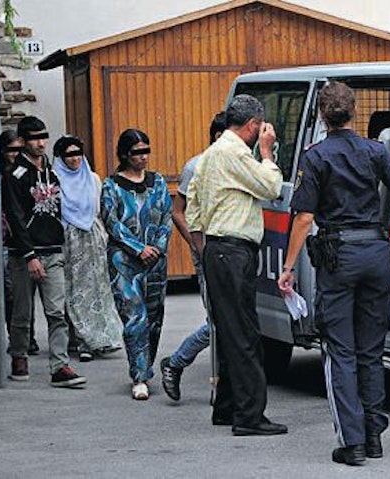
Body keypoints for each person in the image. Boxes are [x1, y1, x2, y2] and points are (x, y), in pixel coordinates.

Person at [276, 82, 390, 465]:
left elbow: (305, 217)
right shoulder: (376, 151)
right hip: (377, 255)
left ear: (322, 116)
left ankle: (352, 443)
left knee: (340, 351)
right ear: (355, 112)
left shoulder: (315, 157)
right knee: (371, 351)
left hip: (338, 258)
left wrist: (288, 267)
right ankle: (374, 435)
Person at [185, 94, 286, 436]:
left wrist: (203, 248)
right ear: (253, 125)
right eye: (261, 127)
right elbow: (271, 186)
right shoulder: (235, 153)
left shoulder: (210, 154)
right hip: (234, 249)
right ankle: (250, 416)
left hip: (217, 249)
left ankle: (227, 407)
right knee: (245, 335)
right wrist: (267, 153)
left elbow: (193, 205)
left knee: (229, 332)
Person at [2, 116, 87, 388]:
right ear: (23, 140)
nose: (41, 143)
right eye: (35, 138)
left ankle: (60, 366)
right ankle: (19, 356)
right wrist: (29, 255)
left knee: (56, 311)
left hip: (52, 250)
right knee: (22, 312)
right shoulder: (15, 175)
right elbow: (15, 217)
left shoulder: (51, 171)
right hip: (24, 254)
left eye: (44, 136)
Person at [160, 112, 227, 402]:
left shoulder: (238, 163)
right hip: (207, 250)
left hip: (232, 250)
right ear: (218, 136)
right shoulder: (196, 166)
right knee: (218, 320)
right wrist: (198, 245)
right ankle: (177, 362)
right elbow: (178, 212)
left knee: (226, 321)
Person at [102, 128, 172, 401]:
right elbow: (111, 222)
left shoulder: (159, 182)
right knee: (135, 317)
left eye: (146, 151)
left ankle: (146, 366)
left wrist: (157, 248)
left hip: (155, 260)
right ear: (124, 154)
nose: (143, 157)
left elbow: (166, 217)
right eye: (137, 152)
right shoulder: (111, 186)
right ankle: (139, 376)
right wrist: (138, 248)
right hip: (124, 261)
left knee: (154, 319)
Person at [52, 135, 124, 361]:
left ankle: (100, 339)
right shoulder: (54, 179)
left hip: (93, 239)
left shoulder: (93, 179)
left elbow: (99, 210)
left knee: (98, 289)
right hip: (68, 240)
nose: (75, 159)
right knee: (73, 290)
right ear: (60, 158)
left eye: (78, 154)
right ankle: (81, 340)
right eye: (69, 155)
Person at [0, 130, 39, 355]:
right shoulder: (0, 176)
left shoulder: (27, 174)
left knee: (27, 292)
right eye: (11, 150)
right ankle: (18, 338)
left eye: (18, 149)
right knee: (12, 292)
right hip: (5, 239)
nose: (15, 154)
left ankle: (27, 336)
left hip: (26, 238)